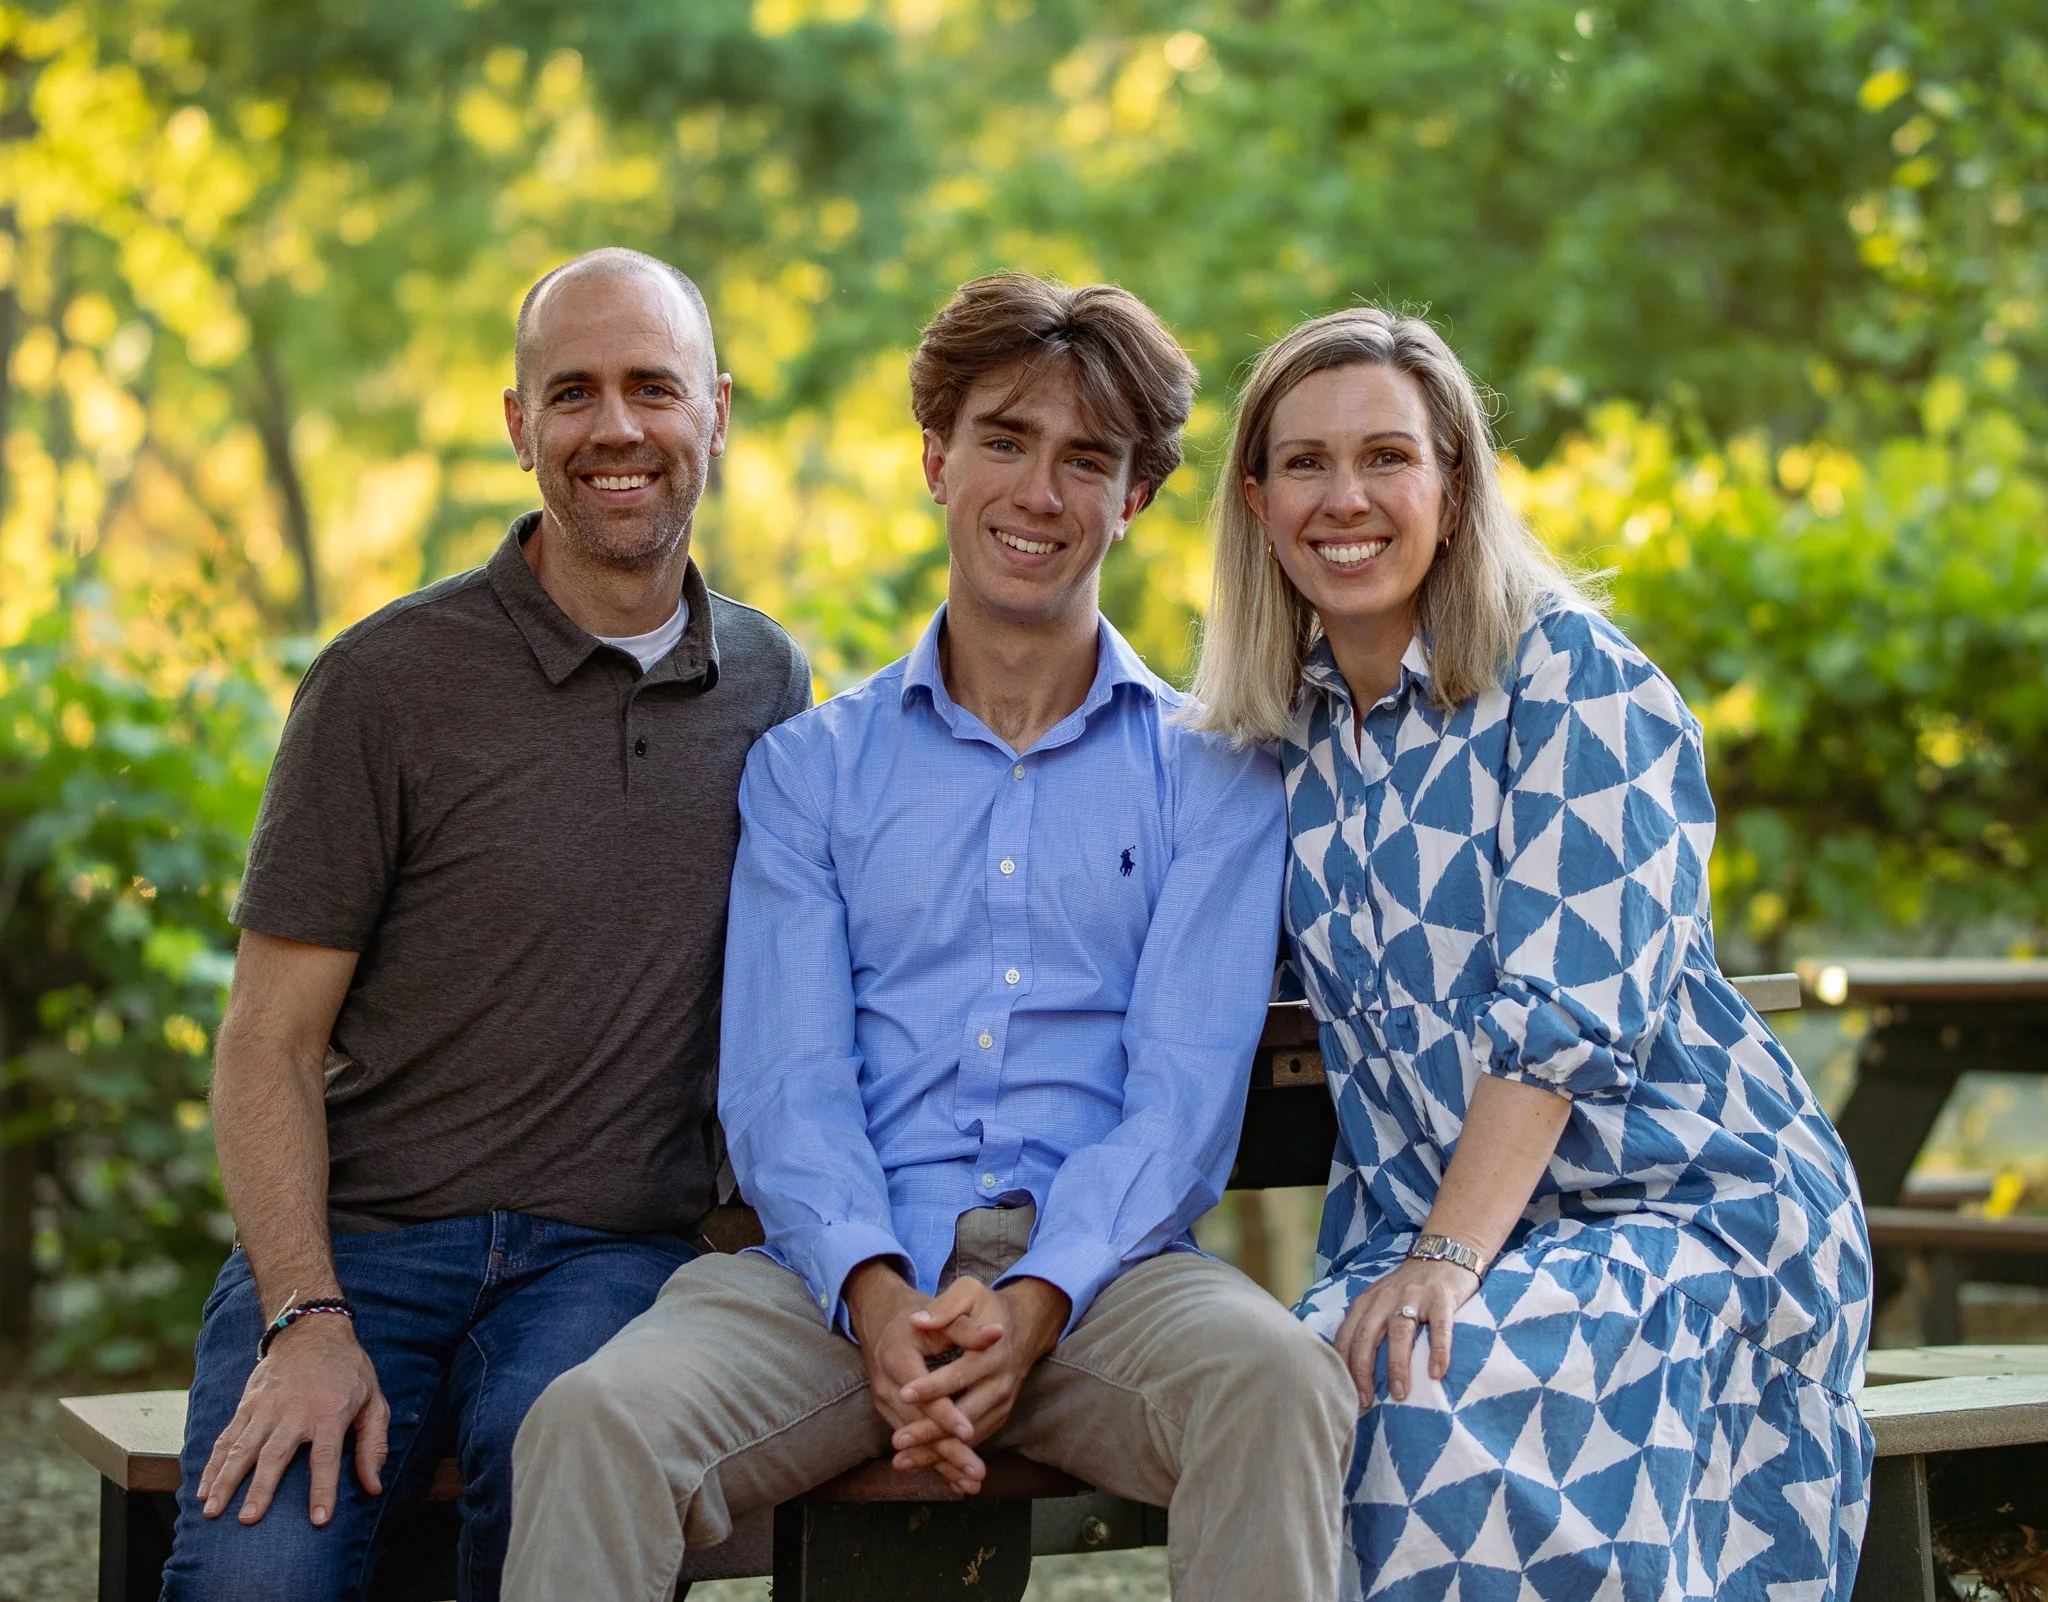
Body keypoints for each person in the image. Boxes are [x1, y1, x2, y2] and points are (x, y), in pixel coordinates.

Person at [505, 274, 1358, 1602]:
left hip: (1108, 1284)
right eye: (1005, 440)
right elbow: (787, 1089)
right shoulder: (811, 770)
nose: (1038, 492)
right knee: (592, 1423)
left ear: (1132, 499)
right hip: (823, 1284)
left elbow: (1182, 1099)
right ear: (935, 459)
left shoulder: (1216, 777)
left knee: (1281, 1384)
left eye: (1087, 460)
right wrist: (876, 1288)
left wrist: (1037, 1298)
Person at [1182, 306, 1874, 1599]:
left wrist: (1444, 1260)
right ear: (1258, 498)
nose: (1348, 498)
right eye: (1307, 463)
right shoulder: (1286, 740)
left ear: (1452, 477)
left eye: (1387, 456)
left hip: (1682, 1211)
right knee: (1287, 1390)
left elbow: (1566, 1018)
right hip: (1429, 1233)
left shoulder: (1574, 681)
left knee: (1433, 1395)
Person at [159, 248, 811, 1602]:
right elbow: (266, 1044)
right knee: (253, 1573)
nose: (617, 428)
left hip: (611, 1255)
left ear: (719, 414)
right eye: (572, 392)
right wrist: (308, 1315)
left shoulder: (772, 682)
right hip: (363, 1245)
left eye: (654, 388)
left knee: (559, 1492)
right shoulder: (381, 684)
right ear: (519, 427)